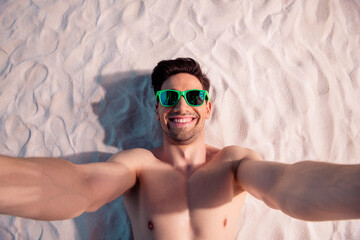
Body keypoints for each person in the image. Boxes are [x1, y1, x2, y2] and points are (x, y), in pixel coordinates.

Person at [0, 58, 359, 240]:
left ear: (208, 107)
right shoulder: (139, 165)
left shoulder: (233, 163)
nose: (181, 105)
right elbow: (83, 187)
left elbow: (285, 185)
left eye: (194, 97)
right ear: (157, 109)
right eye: (169, 97)